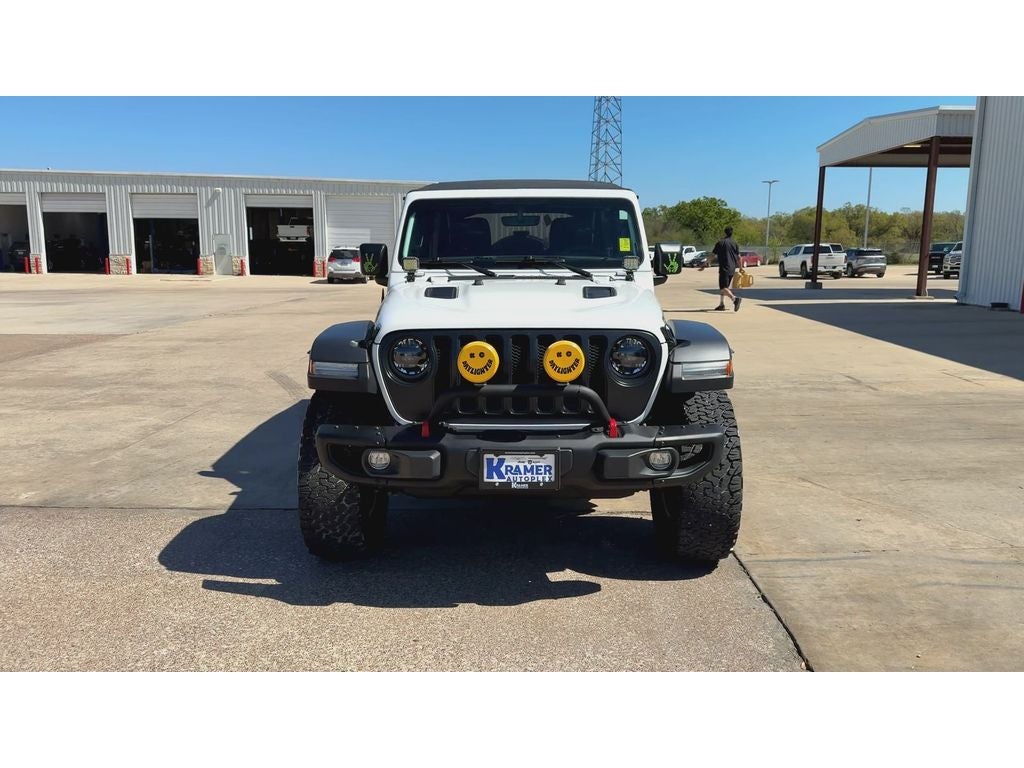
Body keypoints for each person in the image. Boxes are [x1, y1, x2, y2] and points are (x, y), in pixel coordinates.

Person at [706, 226, 742, 311]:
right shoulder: (734, 243)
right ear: (732, 233)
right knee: (725, 288)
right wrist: (741, 267)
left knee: (723, 288)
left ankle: (735, 299)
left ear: (724, 233)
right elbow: (739, 257)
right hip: (732, 268)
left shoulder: (720, 243)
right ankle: (721, 304)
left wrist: (707, 262)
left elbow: (713, 254)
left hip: (724, 268)